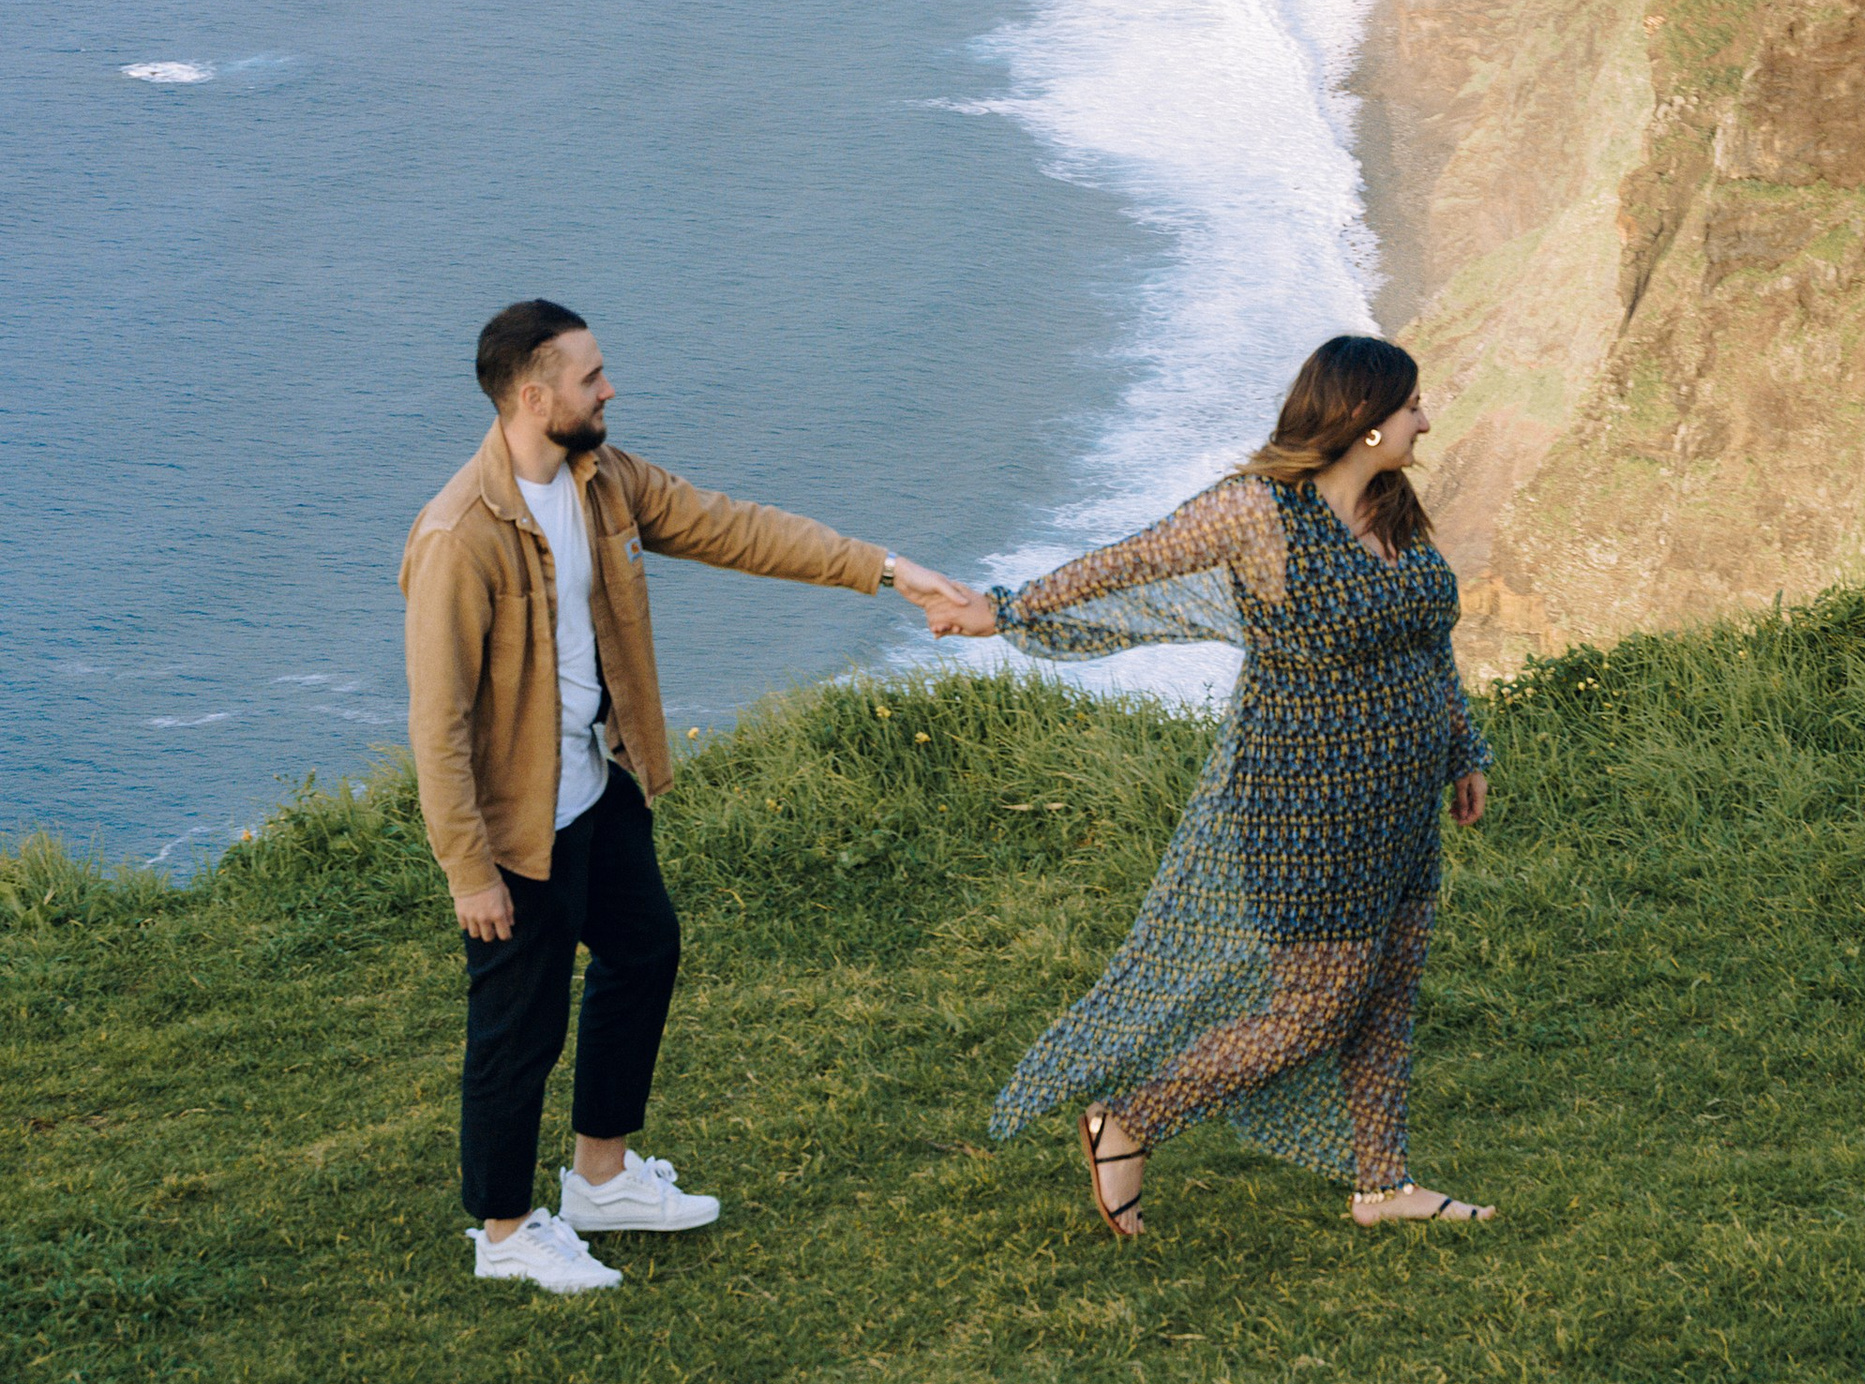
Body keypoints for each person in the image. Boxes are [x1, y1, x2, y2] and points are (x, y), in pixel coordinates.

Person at [402, 299, 967, 1295]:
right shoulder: (461, 535)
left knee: (643, 948)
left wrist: (888, 571)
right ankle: (501, 1232)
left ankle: (602, 1178)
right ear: (535, 398)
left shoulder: (600, 479)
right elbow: (436, 722)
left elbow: (732, 528)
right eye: (589, 377)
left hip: (595, 789)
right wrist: (468, 869)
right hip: (515, 827)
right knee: (517, 1031)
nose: (608, 388)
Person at [919, 333, 1494, 1236]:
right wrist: (1005, 608)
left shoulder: (1394, 507)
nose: (1425, 419)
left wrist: (1465, 751)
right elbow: (1128, 561)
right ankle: (1132, 1120)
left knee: (1388, 985)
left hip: (1404, 800)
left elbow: (1428, 639)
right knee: (1318, 1005)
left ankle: (1384, 1185)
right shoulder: (1257, 512)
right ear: (1364, 421)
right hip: (1306, 807)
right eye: (1411, 404)